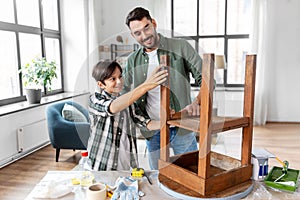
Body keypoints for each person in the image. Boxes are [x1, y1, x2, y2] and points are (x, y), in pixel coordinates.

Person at [123, 7, 203, 170]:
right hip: (153, 130)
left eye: (146, 27)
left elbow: (206, 79)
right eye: (137, 33)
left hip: (183, 126)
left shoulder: (181, 47)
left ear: (153, 23)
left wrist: (197, 102)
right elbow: (123, 93)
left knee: (192, 171)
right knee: (159, 176)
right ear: (133, 35)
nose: (144, 36)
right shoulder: (132, 60)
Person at [87, 60, 168, 171]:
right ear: (101, 84)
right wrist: (146, 86)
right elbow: (112, 107)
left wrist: (167, 123)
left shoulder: (128, 103)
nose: (119, 82)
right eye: (112, 79)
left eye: (120, 77)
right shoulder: (94, 100)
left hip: (125, 164)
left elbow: (145, 122)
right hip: (101, 165)